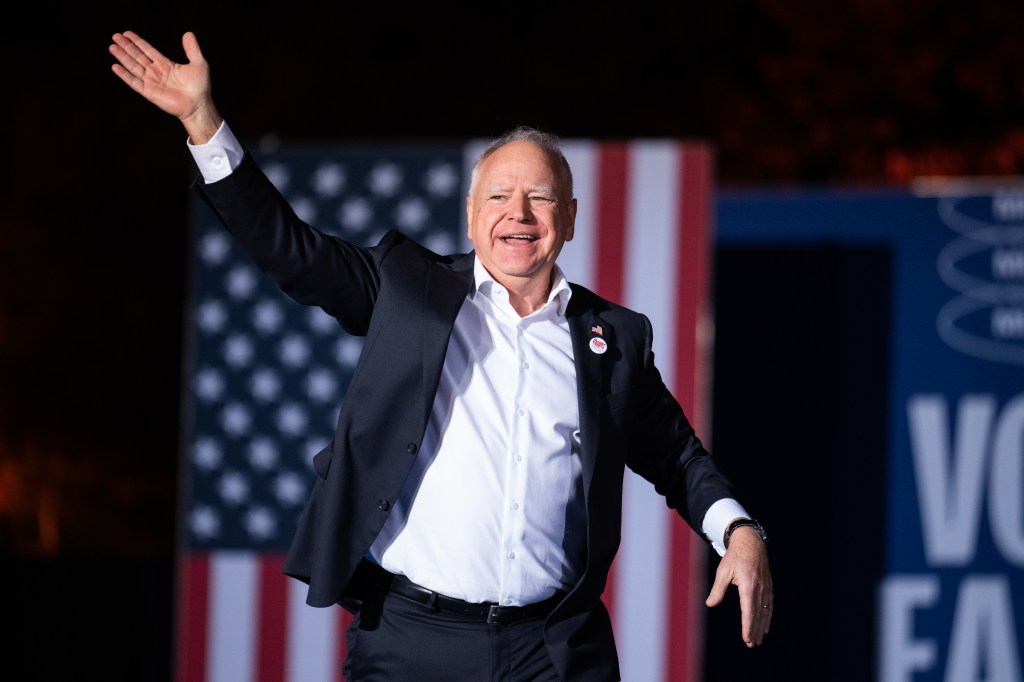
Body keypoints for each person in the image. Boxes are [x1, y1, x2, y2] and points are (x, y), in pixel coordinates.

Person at [109, 29, 773, 682]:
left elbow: (677, 457)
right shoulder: (409, 289)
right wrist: (204, 121)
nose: (519, 213)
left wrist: (740, 533)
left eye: (539, 197)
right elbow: (293, 252)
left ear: (568, 217)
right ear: (470, 213)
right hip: (410, 641)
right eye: (499, 196)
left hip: (554, 651)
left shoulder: (613, 337)